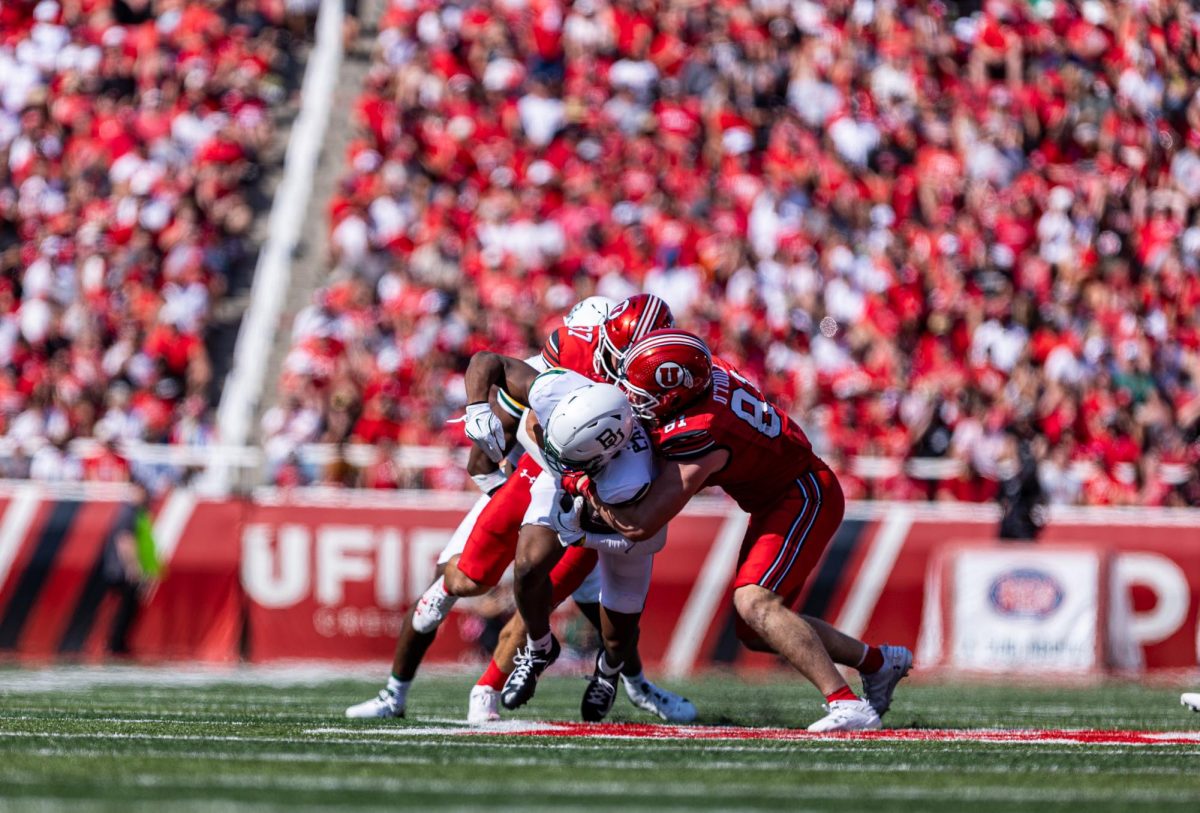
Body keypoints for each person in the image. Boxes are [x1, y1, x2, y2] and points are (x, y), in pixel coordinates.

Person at [346, 296, 692, 724]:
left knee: (605, 611)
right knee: (466, 578)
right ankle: (396, 692)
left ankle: (625, 682)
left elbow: (658, 510)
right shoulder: (566, 358)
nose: (607, 360)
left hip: (606, 500)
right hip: (542, 475)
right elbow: (501, 442)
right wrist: (507, 479)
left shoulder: (667, 380)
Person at [581, 328, 911, 732]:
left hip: (802, 496)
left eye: (645, 396)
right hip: (779, 496)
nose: (635, 402)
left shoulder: (701, 431)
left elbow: (640, 523)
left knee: (756, 604)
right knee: (756, 628)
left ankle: (846, 704)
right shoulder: (706, 374)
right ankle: (879, 663)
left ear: (676, 394)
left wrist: (583, 485)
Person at [463, 354, 672, 722]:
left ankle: (607, 673)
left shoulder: (631, 481)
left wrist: (583, 535)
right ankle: (539, 647)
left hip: (619, 526)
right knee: (527, 567)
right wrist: (478, 407)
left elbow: (646, 539)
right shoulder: (558, 391)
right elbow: (488, 361)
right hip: (566, 481)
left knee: (618, 635)